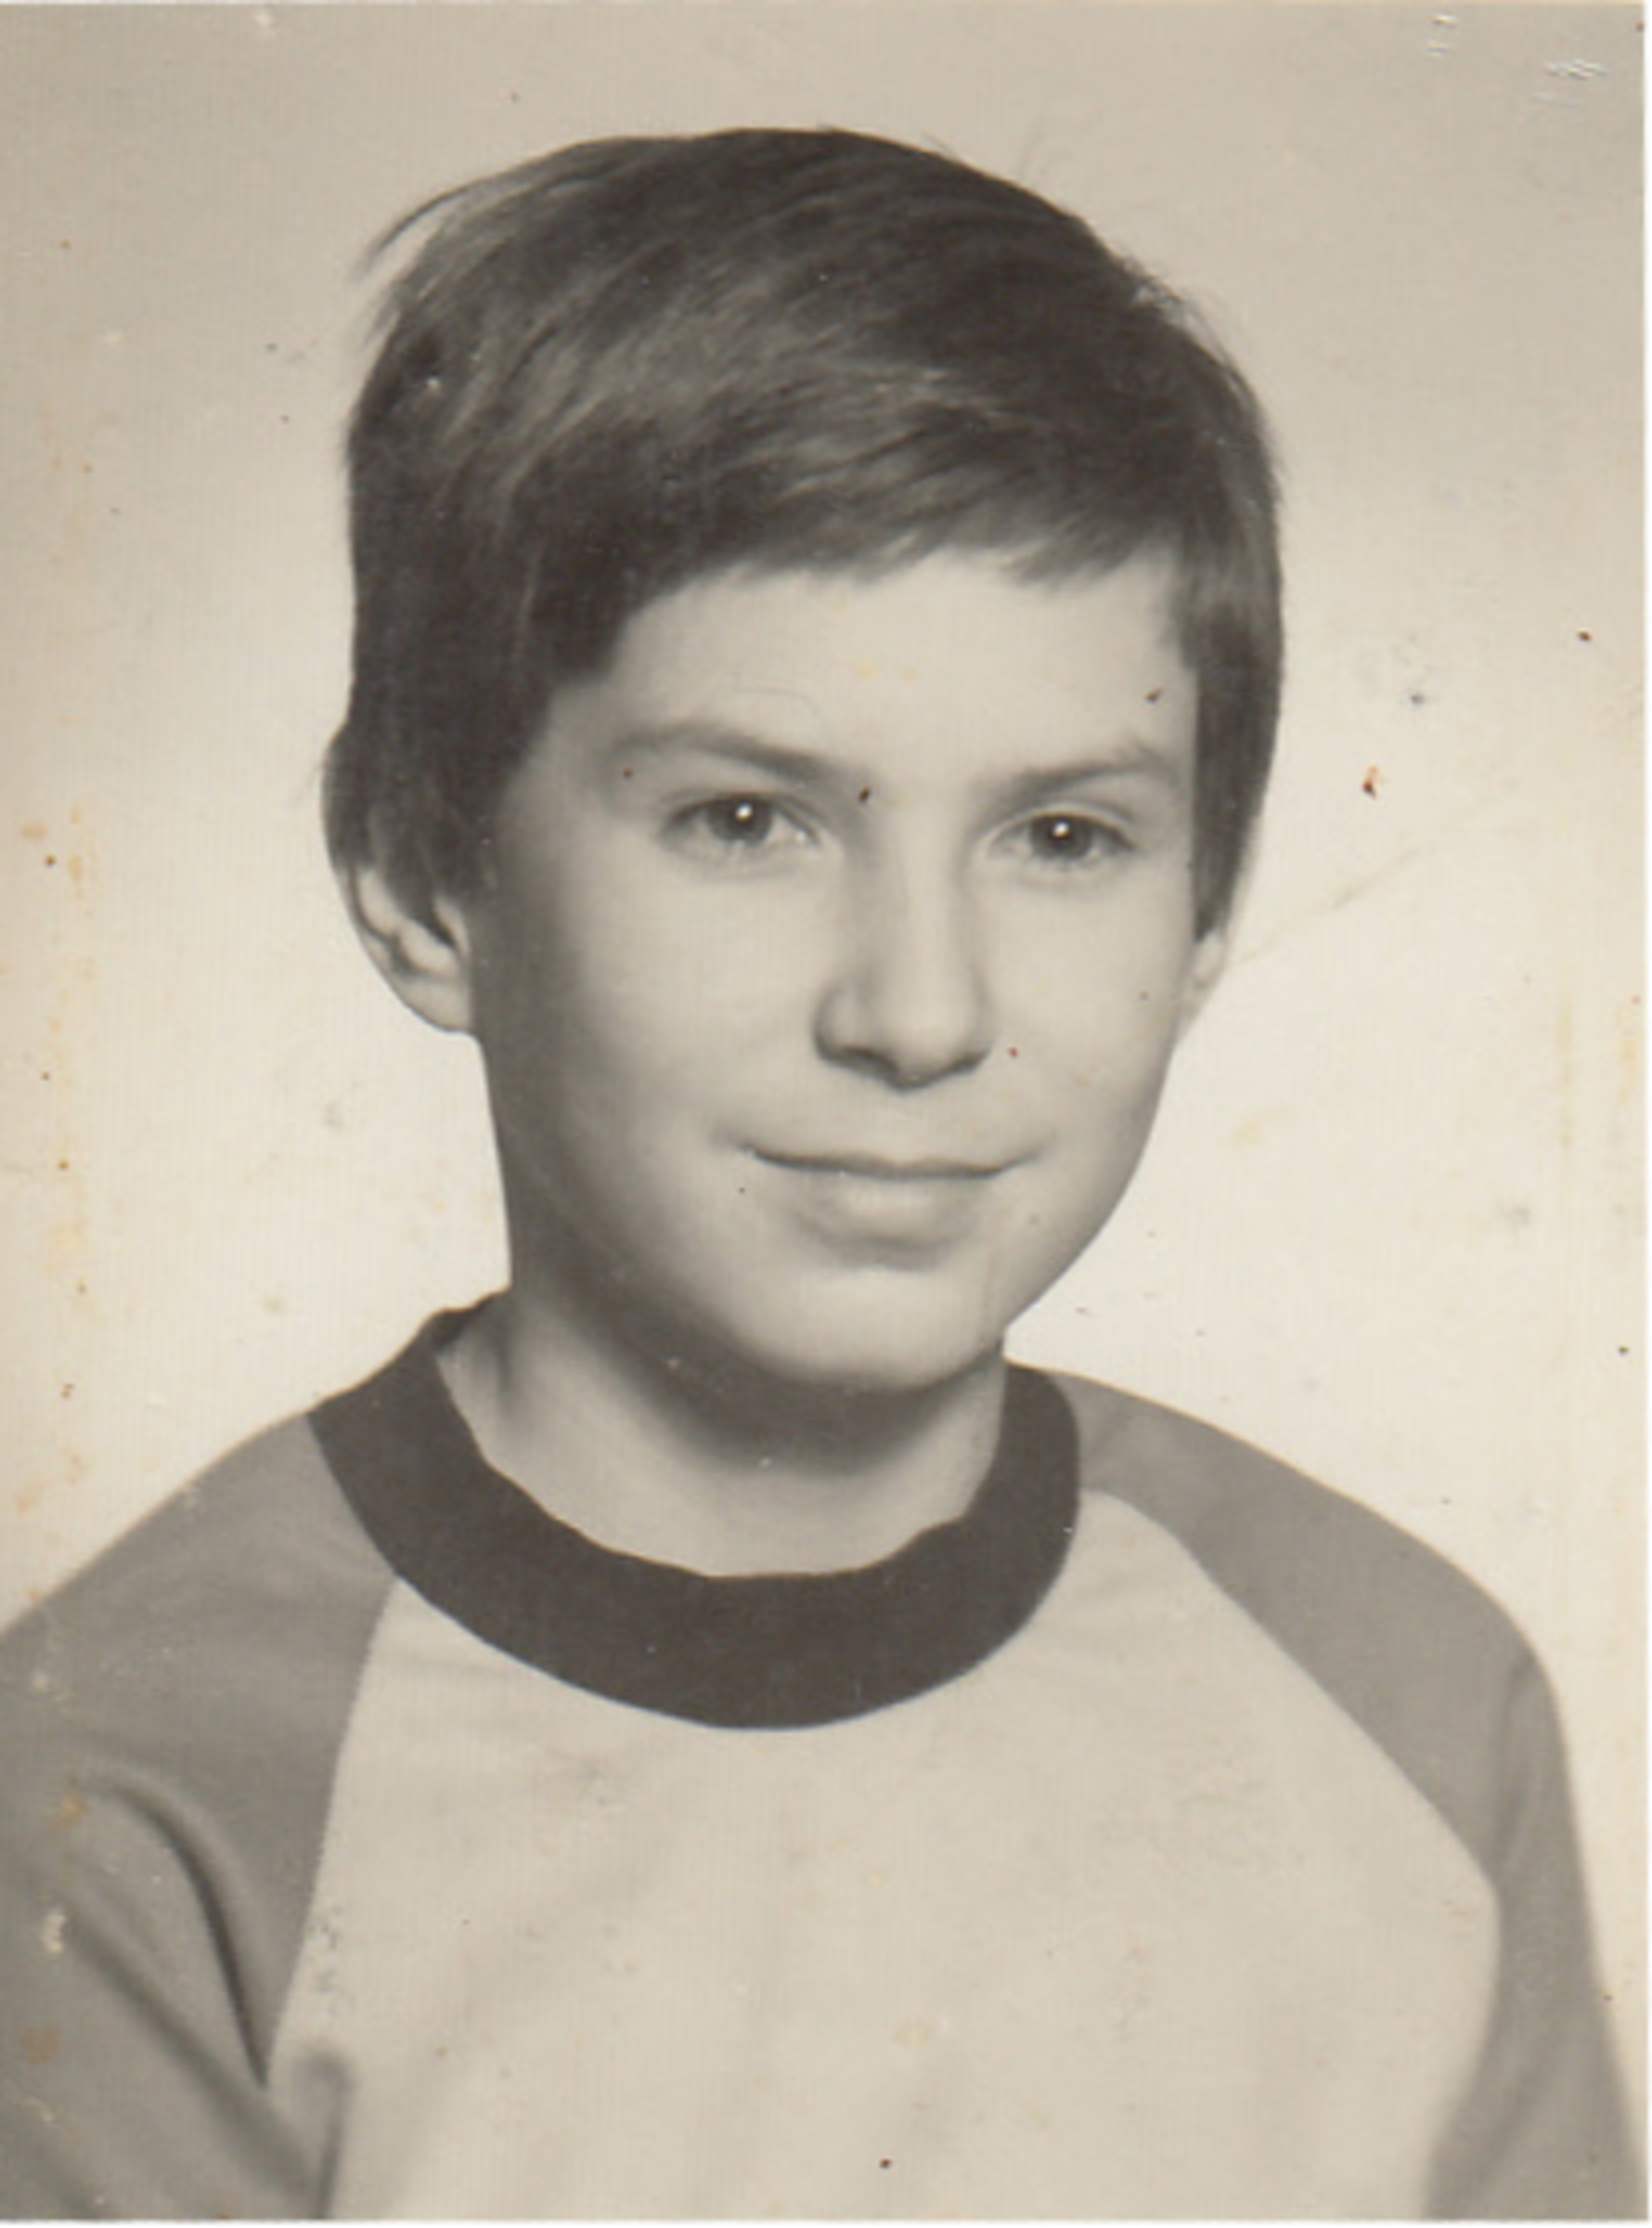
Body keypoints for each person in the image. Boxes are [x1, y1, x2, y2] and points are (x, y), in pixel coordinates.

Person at [0, 128, 1637, 2220]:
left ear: (1208, 913)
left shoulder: (1402, 1702)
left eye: (1063, 838)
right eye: (746, 821)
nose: (919, 1011)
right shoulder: (131, 1793)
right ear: (422, 877)